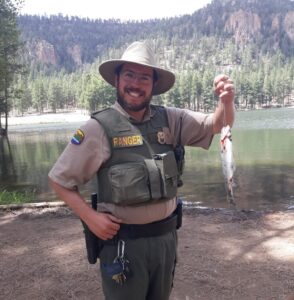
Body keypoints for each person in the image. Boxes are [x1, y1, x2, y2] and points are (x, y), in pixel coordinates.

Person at [48, 41, 235, 300]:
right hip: (123, 246)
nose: (136, 84)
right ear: (117, 79)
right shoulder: (97, 129)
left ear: (153, 85)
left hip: (165, 241)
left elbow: (218, 124)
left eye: (144, 77)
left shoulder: (171, 119)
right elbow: (59, 180)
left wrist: (226, 101)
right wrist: (91, 219)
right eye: (129, 75)